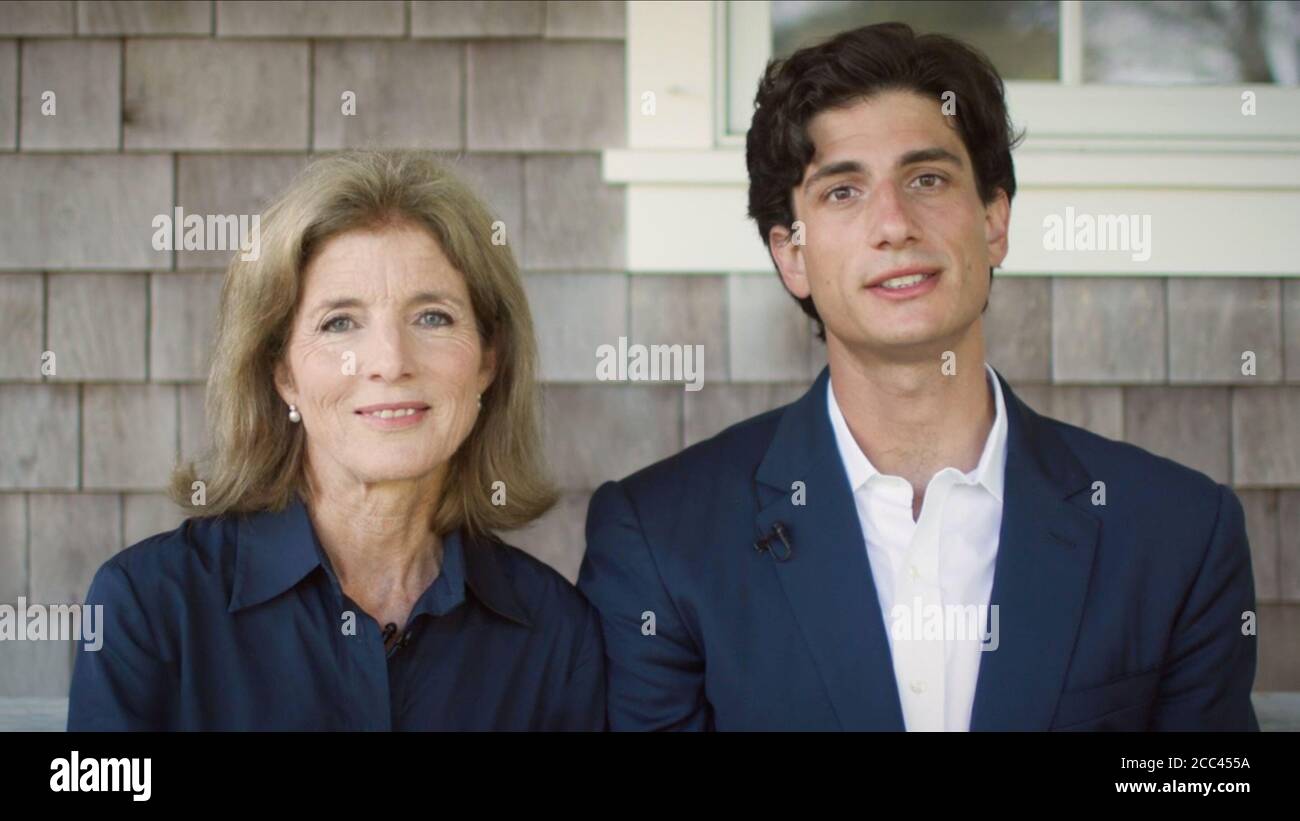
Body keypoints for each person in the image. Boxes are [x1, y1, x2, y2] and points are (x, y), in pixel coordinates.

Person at [579, 23, 1258, 731]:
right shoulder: (660, 540)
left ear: (994, 219)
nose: (894, 223)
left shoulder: (1176, 532)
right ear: (792, 255)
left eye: (927, 178)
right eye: (843, 192)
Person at [69, 150, 605, 731]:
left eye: (432, 317)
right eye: (339, 322)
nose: (390, 361)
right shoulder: (150, 606)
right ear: (283, 374)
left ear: (488, 360)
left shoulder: (556, 633)